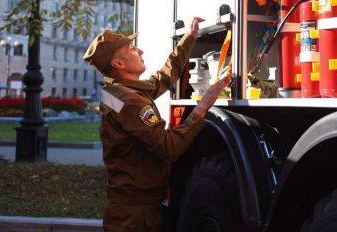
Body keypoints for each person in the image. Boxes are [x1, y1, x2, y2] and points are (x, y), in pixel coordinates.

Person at [83, 17, 229, 232]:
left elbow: (162, 79)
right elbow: (169, 147)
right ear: (118, 64)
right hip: (137, 218)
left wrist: (190, 39)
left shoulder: (115, 92)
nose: (140, 51)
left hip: (127, 211)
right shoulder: (130, 101)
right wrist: (202, 107)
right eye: (132, 49)